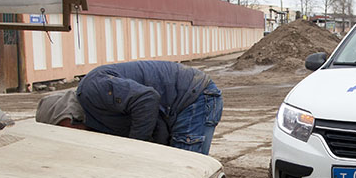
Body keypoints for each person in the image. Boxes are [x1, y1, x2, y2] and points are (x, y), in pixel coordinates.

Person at [36, 61, 223, 154]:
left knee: (186, 174)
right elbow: (156, 127)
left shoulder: (93, 89)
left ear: (64, 117)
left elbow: (147, 99)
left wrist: (134, 150)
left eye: (63, 131)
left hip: (194, 97)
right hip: (177, 105)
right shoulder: (99, 117)